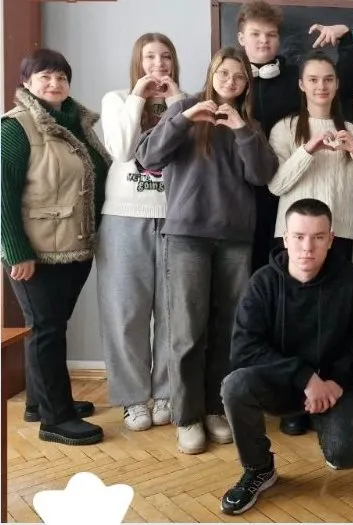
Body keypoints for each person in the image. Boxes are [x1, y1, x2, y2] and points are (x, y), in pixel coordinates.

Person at [135, 46, 278, 455]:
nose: (230, 82)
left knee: (227, 328)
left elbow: (263, 175)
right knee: (187, 330)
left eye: (239, 76)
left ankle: (216, 408)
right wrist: (182, 119)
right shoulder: (185, 109)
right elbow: (146, 157)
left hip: (235, 239)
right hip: (187, 237)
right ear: (212, 73)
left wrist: (241, 129)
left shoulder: (249, 124)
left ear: (247, 84)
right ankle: (187, 416)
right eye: (224, 73)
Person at [220, 199, 353, 516]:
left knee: (345, 455)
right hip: (279, 384)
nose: (308, 248)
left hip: (330, 387)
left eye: (318, 237)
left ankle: (323, 421)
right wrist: (305, 378)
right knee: (235, 385)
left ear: (331, 239)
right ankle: (258, 468)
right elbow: (244, 349)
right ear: (286, 239)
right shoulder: (263, 282)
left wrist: (334, 382)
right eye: (299, 237)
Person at [1, 49, 110, 446]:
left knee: (49, 326)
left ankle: (40, 401)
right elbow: (2, 194)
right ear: (26, 82)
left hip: (71, 245)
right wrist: (17, 252)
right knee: (47, 329)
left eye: (61, 77)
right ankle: (56, 418)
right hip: (37, 251)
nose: (54, 83)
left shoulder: (75, 123)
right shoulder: (16, 127)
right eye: (44, 76)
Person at [235, 0, 353, 275]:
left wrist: (346, 39)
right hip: (239, 192)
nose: (263, 41)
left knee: (284, 273)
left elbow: (349, 83)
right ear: (241, 38)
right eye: (256, 34)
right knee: (243, 275)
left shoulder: (297, 79)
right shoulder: (230, 79)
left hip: (287, 190)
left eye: (271, 34)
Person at [98, 33, 186, 432]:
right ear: (138, 61)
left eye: (165, 56)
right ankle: (133, 399)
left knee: (173, 312)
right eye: (150, 56)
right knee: (125, 313)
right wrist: (138, 96)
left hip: (176, 217)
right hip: (124, 216)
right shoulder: (117, 99)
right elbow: (121, 150)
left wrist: (175, 102)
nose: (158, 64)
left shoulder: (184, 102)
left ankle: (167, 391)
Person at [268, 52, 353, 266]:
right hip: (294, 234)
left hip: (338, 233)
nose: (321, 86)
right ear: (301, 85)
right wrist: (308, 150)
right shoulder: (284, 128)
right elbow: (276, 186)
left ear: (337, 84)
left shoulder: (350, 131)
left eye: (328, 79)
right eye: (313, 80)